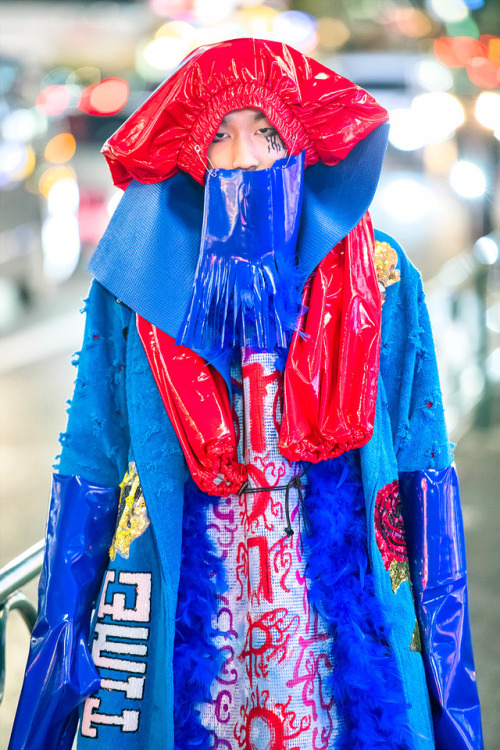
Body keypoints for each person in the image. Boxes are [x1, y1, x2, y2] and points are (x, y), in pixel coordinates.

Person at [9, 38, 483, 750]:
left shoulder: (380, 278)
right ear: (192, 152)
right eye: (221, 135)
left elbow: (423, 466)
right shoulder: (136, 289)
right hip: (184, 612)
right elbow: (90, 462)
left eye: (265, 132)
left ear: (301, 141)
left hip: (330, 622)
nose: (244, 159)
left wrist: (454, 710)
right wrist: (44, 711)